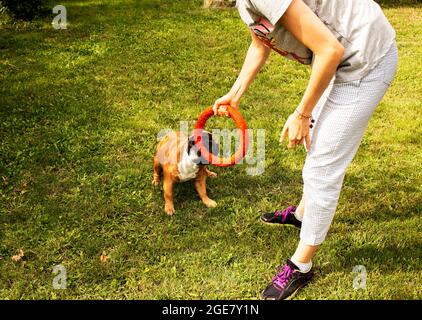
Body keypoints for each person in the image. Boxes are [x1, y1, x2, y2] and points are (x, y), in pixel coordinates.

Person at [213, 0, 398, 300]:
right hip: (342, 60)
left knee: (323, 166)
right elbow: (260, 44)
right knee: (319, 148)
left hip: (366, 59)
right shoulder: (246, 3)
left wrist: (302, 114)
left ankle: (302, 264)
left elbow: (330, 50)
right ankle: (302, 213)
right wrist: (235, 94)